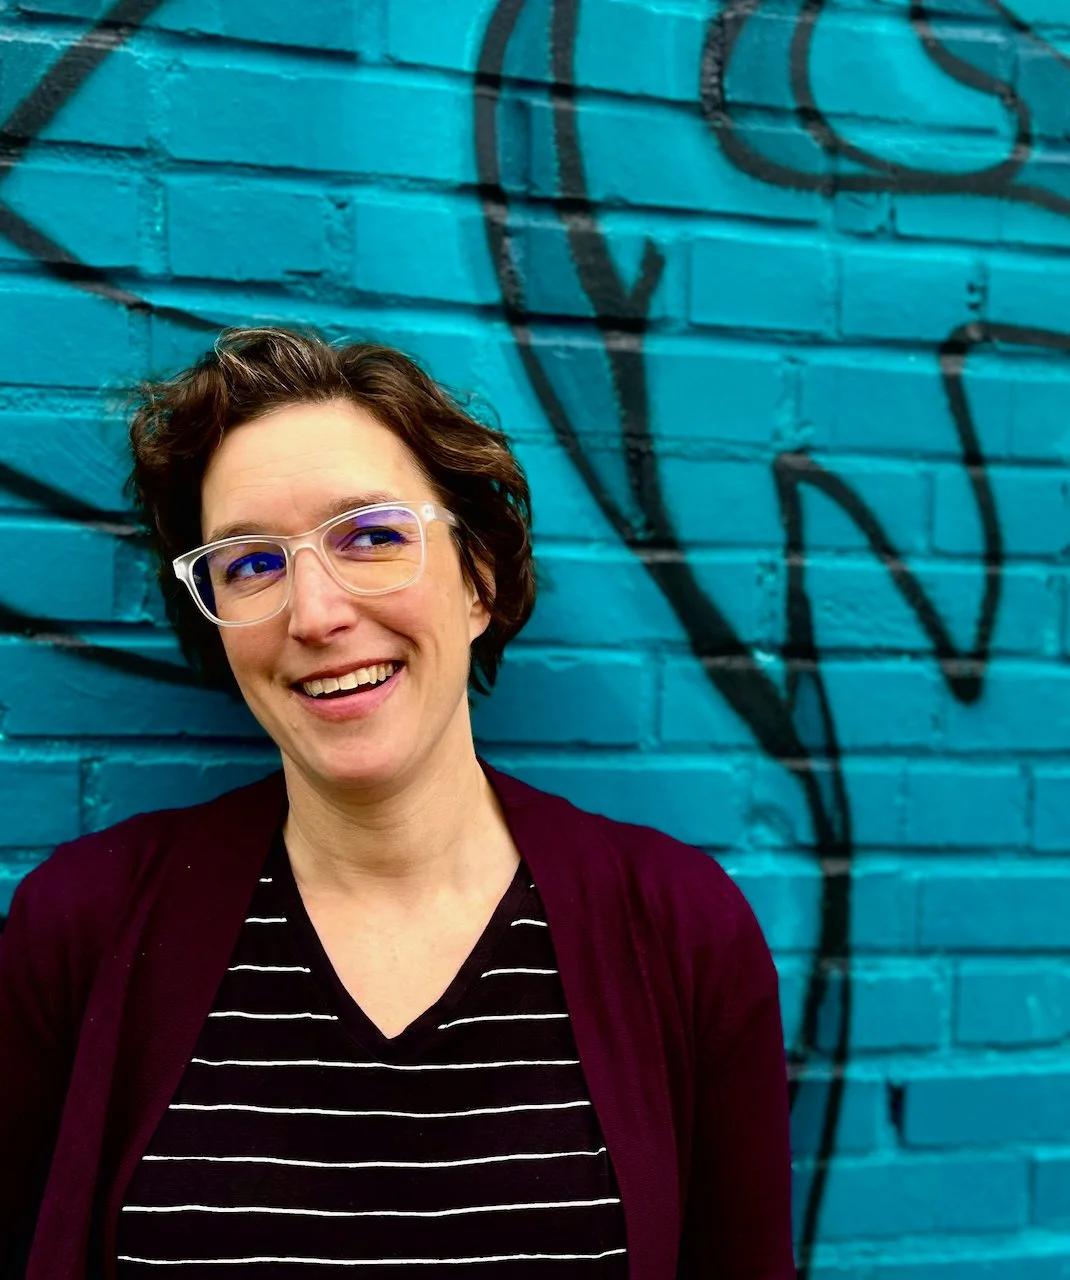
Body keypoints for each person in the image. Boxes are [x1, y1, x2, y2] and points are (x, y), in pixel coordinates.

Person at [0, 327, 794, 1279]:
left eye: (372, 537)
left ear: (478, 581)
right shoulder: (84, 927)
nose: (315, 614)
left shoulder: (678, 929)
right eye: (250, 564)